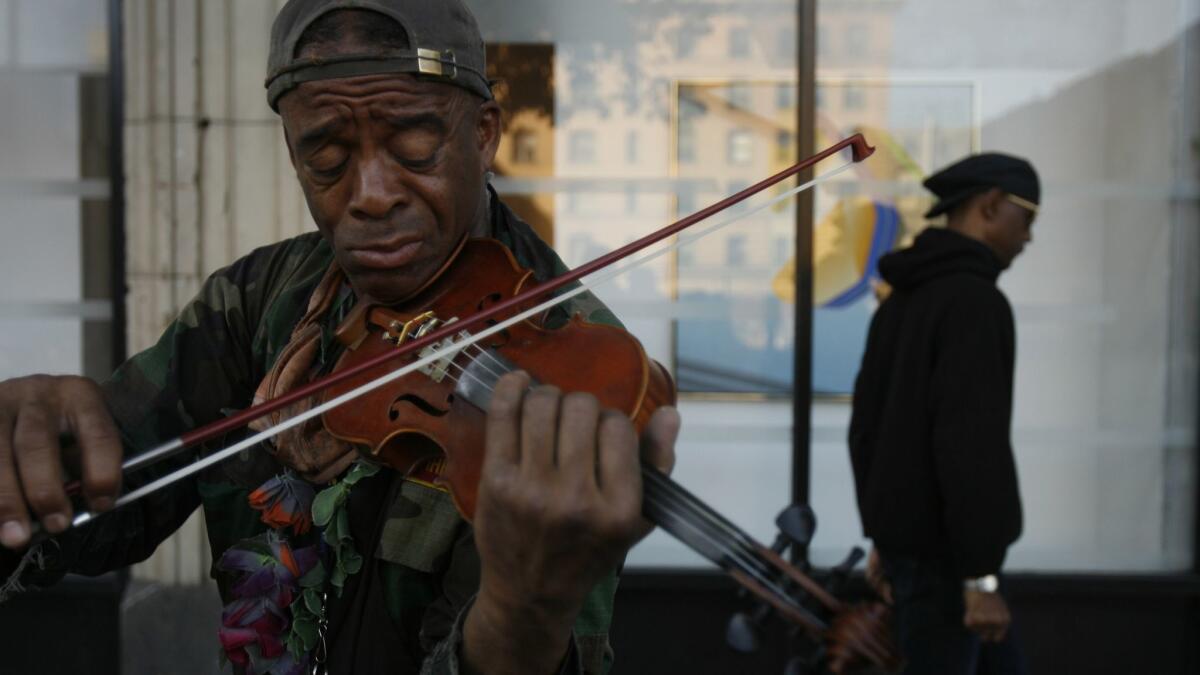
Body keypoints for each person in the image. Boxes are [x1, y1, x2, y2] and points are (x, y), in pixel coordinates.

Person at [0, 2, 679, 674]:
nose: (372, 194)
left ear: (483, 132)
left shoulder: (573, 371)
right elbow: (114, 485)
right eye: (325, 158)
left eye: (414, 145)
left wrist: (519, 617)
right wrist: (34, 467)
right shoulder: (261, 297)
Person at [848, 153, 1039, 674]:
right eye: (1029, 218)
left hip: (916, 556)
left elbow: (867, 428)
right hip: (951, 570)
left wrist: (886, 537)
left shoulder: (900, 303)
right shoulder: (976, 303)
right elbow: (971, 444)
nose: (1029, 237)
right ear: (992, 206)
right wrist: (980, 579)